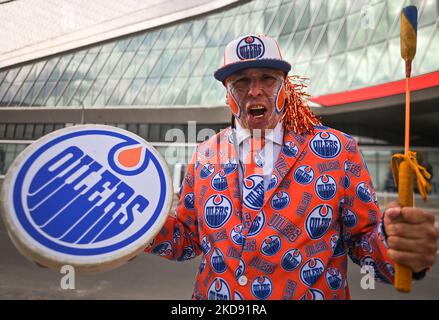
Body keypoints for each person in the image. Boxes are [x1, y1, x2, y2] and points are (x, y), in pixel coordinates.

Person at [145, 34, 439, 300]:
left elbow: (363, 242)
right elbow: (187, 240)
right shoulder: (206, 153)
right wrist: (137, 232)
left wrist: (397, 247)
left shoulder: (337, 151)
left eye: (268, 79)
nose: (255, 91)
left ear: (286, 86)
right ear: (227, 93)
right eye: (241, 82)